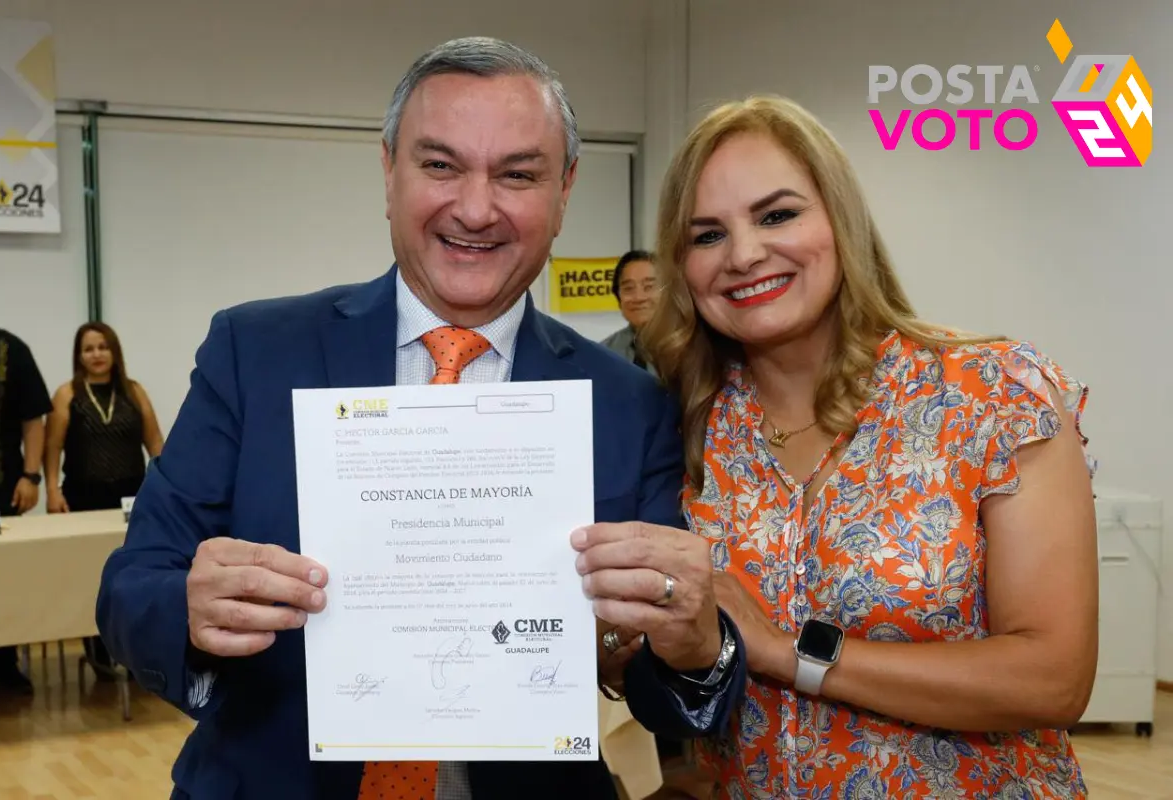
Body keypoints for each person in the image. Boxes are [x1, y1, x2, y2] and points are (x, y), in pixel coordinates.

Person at [95, 38, 746, 800]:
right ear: (388, 171)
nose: (475, 207)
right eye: (440, 165)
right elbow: (129, 589)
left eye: (518, 174)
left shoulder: (628, 403)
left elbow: (665, 691)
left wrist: (690, 646)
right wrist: (190, 608)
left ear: (565, 190)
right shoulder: (256, 352)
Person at [577, 96, 1099, 798]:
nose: (744, 254)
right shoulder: (683, 424)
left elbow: (1053, 679)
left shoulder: (994, 395)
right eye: (706, 235)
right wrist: (622, 643)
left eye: (777, 214)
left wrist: (786, 654)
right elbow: (655, 656)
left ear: (840, 220)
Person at [46, 321, 164, 679]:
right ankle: (99, 653)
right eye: (88, 348)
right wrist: (51, 489)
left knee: (134, 574)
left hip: (131, 496)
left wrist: (169, 488)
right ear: (78, 356)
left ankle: (135, 653)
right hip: (84, 496)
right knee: (92, 576)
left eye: (102, 347)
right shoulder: (67, 394)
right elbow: (51, 448)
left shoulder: (133, 391)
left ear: (114, 351)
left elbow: (156, 443)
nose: (96, 354)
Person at [0, 275, 51, 695]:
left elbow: (33, 419)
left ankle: (1, 663)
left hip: (0, 487)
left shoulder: (10, 351)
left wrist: (32, 475)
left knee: (0, 579)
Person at [600, 250, 660, 375]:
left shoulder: (695, 348)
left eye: (649, 287)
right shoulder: (604, 353)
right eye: (628, 288)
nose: (638, 297)